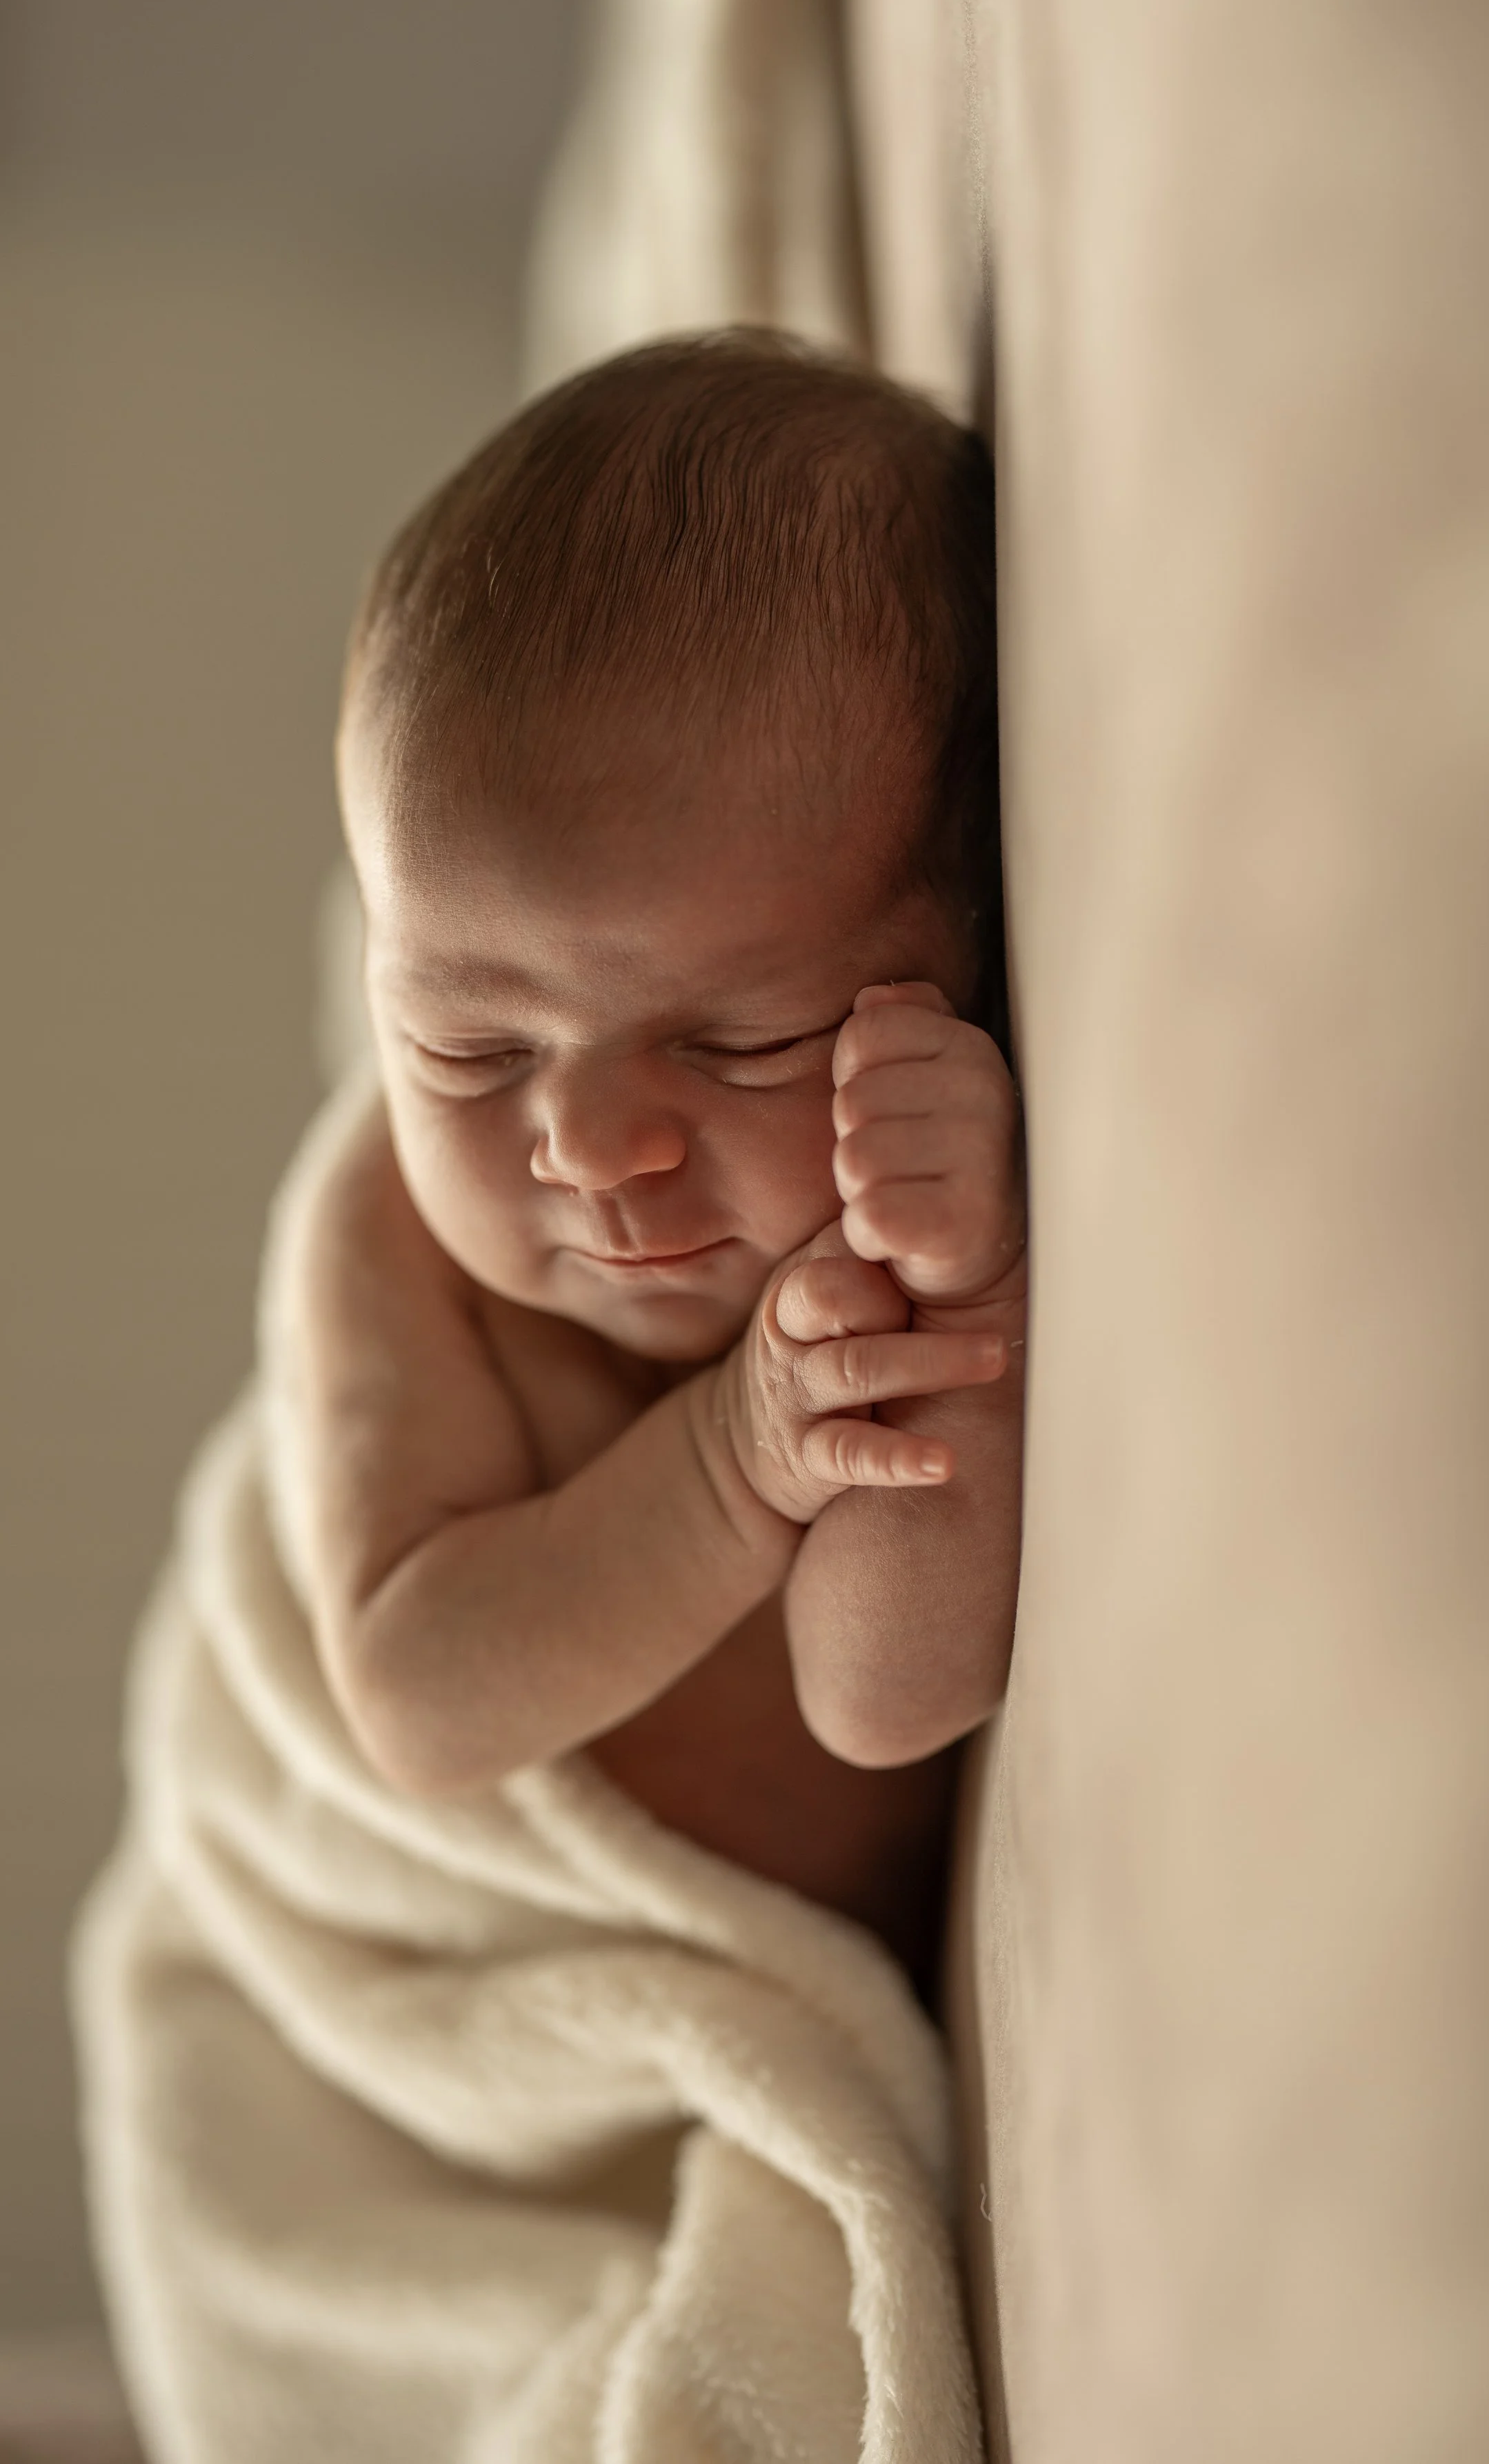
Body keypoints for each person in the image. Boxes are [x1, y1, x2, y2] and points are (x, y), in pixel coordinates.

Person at [278, 330, 1026, 1992]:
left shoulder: (901, 1205)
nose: (593, 1150)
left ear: (951, 960)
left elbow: (884, 1696)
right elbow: (411, 1690)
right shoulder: (387, 1234)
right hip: (500, 1978)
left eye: (735, 1044)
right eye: (469, 1050)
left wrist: (967, 1302)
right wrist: (730, 1462)